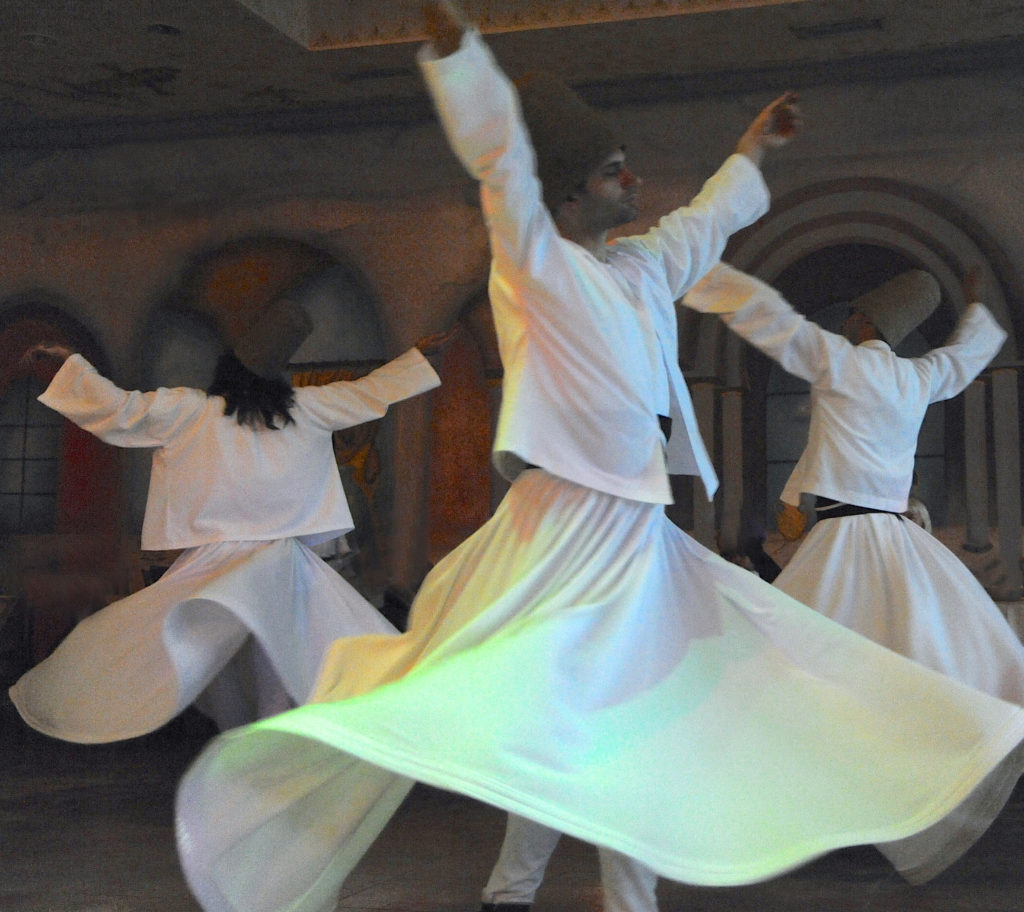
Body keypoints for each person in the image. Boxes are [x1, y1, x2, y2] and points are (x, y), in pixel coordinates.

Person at [174, 8, 1024, 912]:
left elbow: (702, 224)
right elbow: (502, 160)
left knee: (618, 708)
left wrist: (750, 152)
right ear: (571, 196)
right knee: (566, 699)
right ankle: (519, 884)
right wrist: (461, 57)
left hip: (638, 526)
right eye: (616, 172)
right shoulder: (535, 259)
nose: (636, 180)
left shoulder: (642, 265)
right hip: (566, 519)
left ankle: (595, 894)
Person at [9, 289, 441, 742]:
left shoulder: (190, 411)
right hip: (279, 562)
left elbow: (120, 410)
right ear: (278, 382)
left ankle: (243, 742)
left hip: (218, 564)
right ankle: (260, 743)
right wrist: (420, 359)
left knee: (218, 656)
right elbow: (370, 392)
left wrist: (68, 363)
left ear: (225, 376)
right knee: (279, 655)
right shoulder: (304, 410)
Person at [685, 263, 1024, 706]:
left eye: (851, 315)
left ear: (865, 322)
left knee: (801, 655)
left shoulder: (838, 360)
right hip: (898, 539)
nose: (845, 322)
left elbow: (770, 317)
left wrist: (701, 272)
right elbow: (965, 355)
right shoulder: (918, 377)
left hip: (841, 535)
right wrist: (978, 304)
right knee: (919, 645)